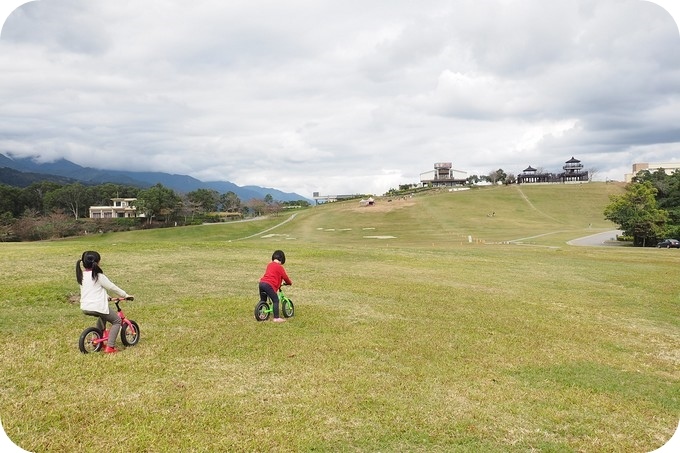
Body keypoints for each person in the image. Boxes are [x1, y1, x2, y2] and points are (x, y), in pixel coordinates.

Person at [76, 251, 132, 353]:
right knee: (117, 321)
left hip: (85, 307)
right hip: (97, 306)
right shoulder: (98, 275)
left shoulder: (82, 275)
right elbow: (111, 287)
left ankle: (99, 342)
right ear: (97, 263)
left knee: (103, 316)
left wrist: (108, 298)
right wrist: (125, 295)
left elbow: (93, 291)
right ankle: (110, 347)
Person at [259, 250, 292, 323]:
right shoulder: (280, 267)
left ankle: (259, 314)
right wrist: (289, 283)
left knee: (263, 300)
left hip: (262, 283)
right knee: (275, 300)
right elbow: (285, 277)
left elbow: (271, 275)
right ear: (282, 259)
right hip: (268, 285)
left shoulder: (269, 265)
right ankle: (276, 318)